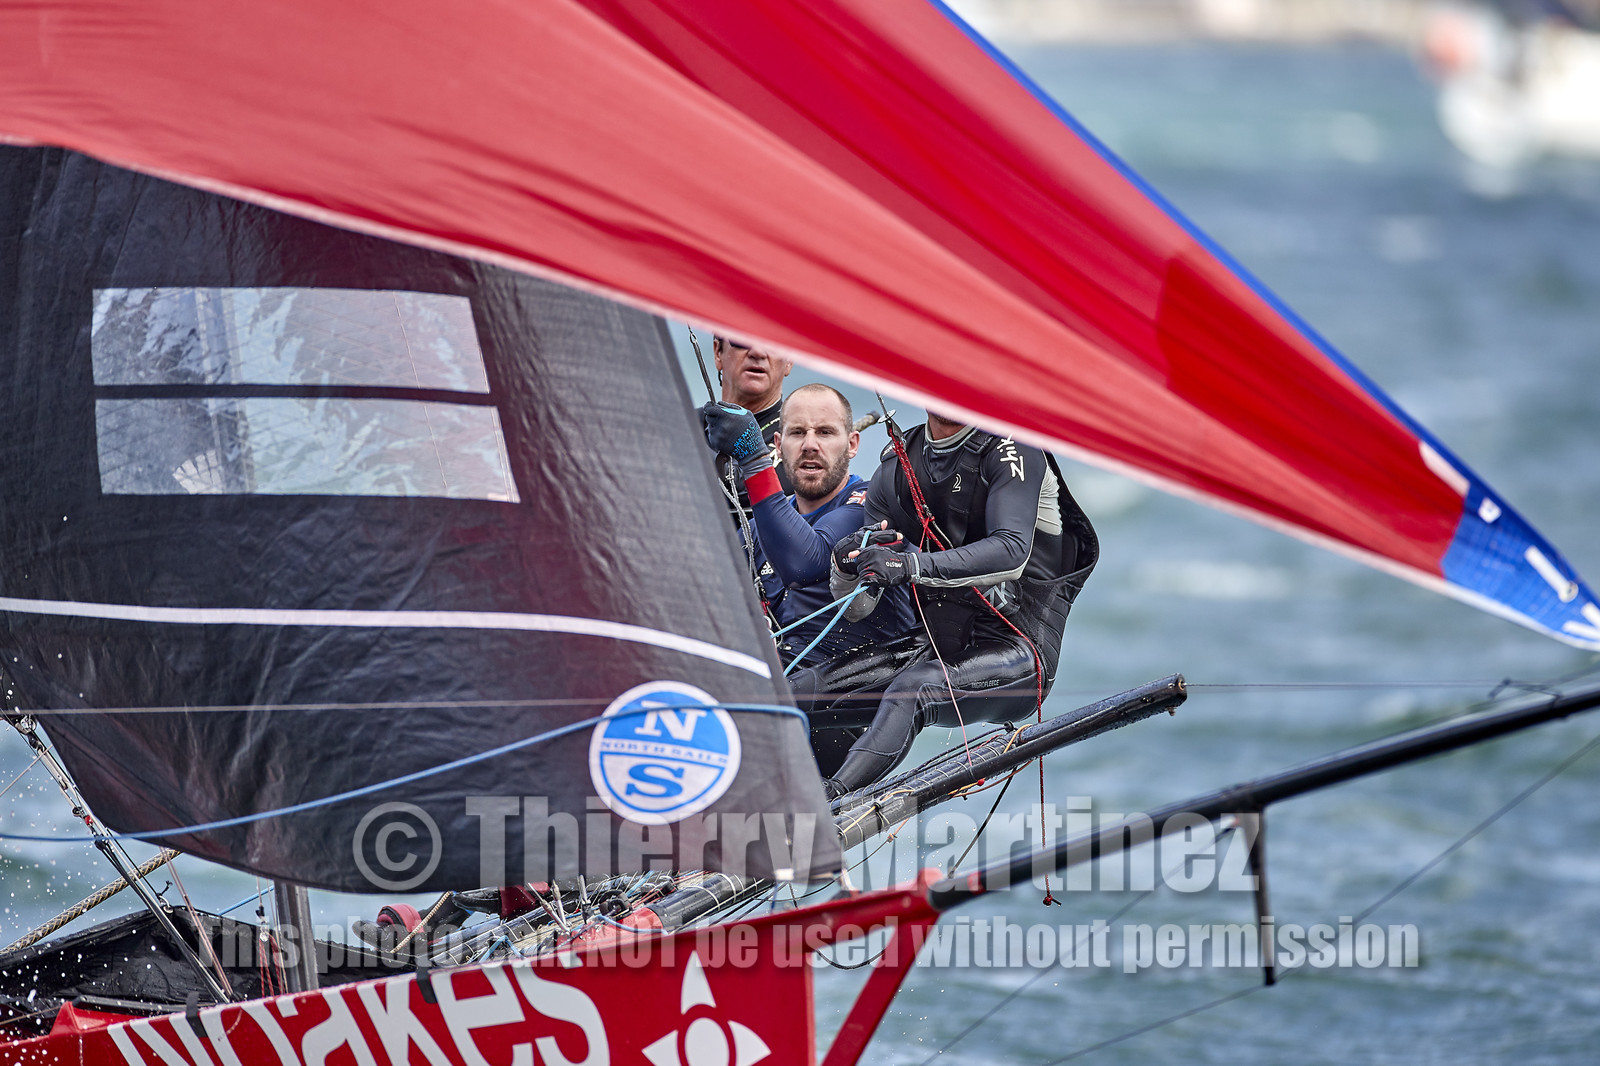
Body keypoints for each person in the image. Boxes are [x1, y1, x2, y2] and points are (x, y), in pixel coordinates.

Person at [804, 412, 1099, 797]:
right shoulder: (896, 465)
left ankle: (833, 800)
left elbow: (1010, 552)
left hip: (1020, 655)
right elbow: (861, 607)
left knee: (914, 689)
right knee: (795, 691)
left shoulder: (1013, 448)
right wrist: (846, 565)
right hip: (936, 644)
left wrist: (910, 565)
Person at [700, 385, 916, 773]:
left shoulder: (869, 506)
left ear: (852, 444)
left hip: (850, 720)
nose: (810, 445)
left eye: (825, 432)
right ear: (779, 446)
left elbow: (806, 563)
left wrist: (753, 461)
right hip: (779, 700)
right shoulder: (760, 528)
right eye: (798, 433)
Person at [710, 336, 794, 517]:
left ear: (789, 360)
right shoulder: (685, 423)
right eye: (742, 338)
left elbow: (745, 495)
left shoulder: (803, 438)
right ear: (718, 352)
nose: (758, 352)